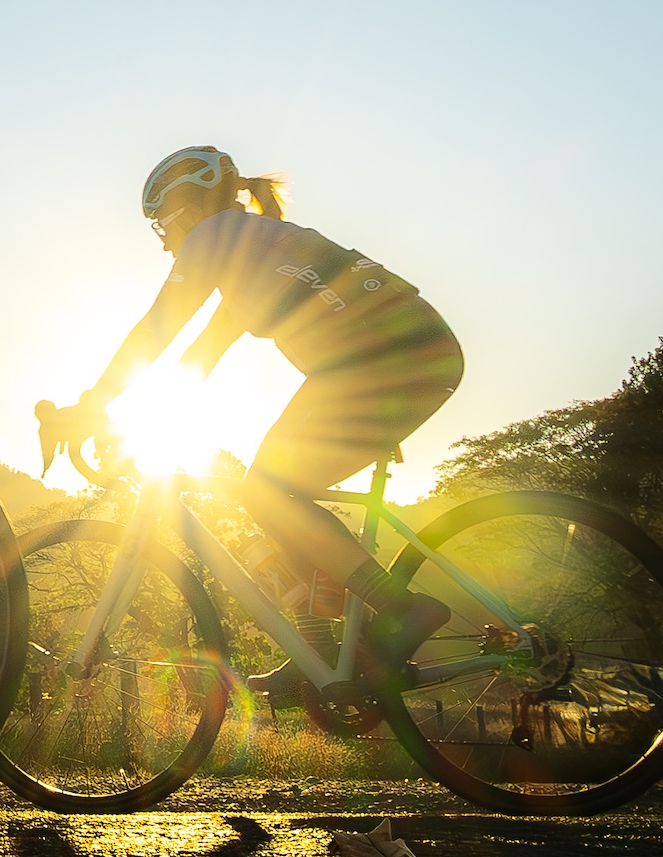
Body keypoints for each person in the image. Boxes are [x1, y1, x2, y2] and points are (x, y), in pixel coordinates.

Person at [44, 147, 467, 660]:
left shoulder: (214, 234)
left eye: (161, 227)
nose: (163, 246)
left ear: (184, 208)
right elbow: (199, 357)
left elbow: (158, 328)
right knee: (281, 500)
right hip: (418, 356)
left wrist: (92, 405)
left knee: (264, 491)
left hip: (377, 364)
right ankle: (329, 656)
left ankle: (401, 610)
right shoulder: (257, 250)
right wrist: (141, 423)